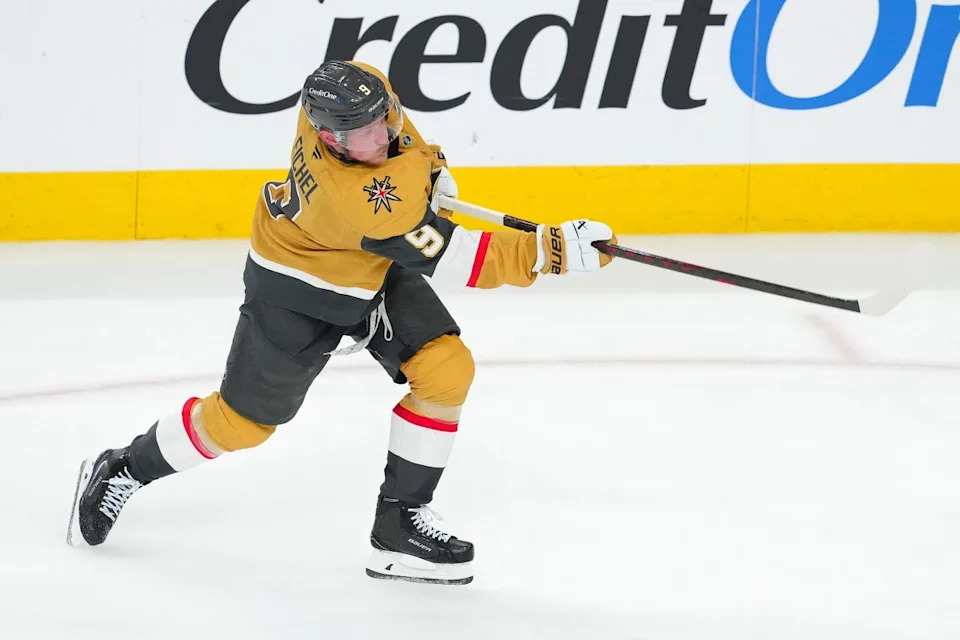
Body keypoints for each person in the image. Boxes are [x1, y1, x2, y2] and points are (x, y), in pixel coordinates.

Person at [66, 60, 616, 585]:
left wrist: (434, 168)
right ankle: (125, 468)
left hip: (370, 265)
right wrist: (552, 251)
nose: (381, 136)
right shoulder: (362, 202)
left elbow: (403, 144)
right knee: (242, 425)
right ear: (329, 139)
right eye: (364, 134)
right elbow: (465, 259)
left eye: (384, 120)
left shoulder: (352, 94)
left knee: (447, 369)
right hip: (298, 286)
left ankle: (398, 527)